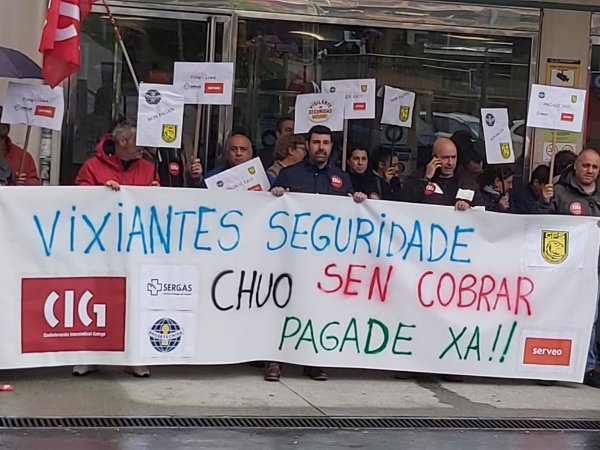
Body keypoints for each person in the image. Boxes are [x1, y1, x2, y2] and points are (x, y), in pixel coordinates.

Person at [268, 125, 367, 382]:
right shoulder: (289, 175)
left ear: (331, 147)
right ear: (307, 145)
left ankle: (313, 361)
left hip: (326, 260)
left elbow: (350, 212)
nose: (321, 147)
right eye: (316, 142)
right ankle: (275, 360)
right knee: (283, 305)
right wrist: (276, 195)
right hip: (291, 255)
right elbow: (271, 210)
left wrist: (358, 201)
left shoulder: (341, 178)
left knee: (319, 308)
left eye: (325, 143)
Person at [73, 120, 158, 378]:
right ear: (123, 141)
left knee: (135, 300)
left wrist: (158, 192)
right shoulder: (92, 166)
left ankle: (134, 357)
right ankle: (90, 356)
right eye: (138, 142)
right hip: (100, 246)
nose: (143, 148)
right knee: (95, 301)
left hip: (136, 246)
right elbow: (76, 199)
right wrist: (100, 193)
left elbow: (157, 209)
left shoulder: (149, 168)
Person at [535, 148, 600, 388]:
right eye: (586, 165)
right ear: (576, 166)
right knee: (560, 315)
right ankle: (552, 365)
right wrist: (544, 202)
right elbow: (539, 225)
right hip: (564, 270)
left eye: (595, 167)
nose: (590, 171)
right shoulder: (558, 192)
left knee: (591, 318)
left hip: (595, 267)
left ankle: (587, 367)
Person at [402, 137, 484, 210]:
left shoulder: (467, 182)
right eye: (445, 158)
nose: (450, 163)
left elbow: (482, 209)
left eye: (453, 157)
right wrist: (426, 179)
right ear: (434, 157)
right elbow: (406, 204)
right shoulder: (418, 178)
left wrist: (469, 208)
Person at [0, 106, 40, 185]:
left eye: (5, 119)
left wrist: (24, 183)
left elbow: (34, 183)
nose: (2, 122)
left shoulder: (23, 157)